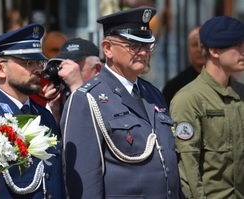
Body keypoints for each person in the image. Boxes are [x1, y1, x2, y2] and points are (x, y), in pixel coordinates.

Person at [60, 7, 183, 198]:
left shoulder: (153, 93)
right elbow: (84, 181)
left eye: (147, 45)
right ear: (108, 48)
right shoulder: (87, 99)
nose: (143, 52)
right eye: (134, 45)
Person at [0, 23, 66, 199]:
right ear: (1, 69)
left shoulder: (44, 116)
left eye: (39, 62)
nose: (38, 69)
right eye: (28, 63)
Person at [170, 16, 244, 198]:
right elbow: (187, 169)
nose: (243, 52)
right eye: (238, 46)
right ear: (214, 51)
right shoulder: (189, 99)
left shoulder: (241, 93)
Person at [43, 37, 102, 126]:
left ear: (97, 68)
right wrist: (54, 111)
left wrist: (77, 89)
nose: (67, 73)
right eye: (63, 66)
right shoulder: (62, 96)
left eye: (75, 68)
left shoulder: (107, 93)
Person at [162, 26, 206, 108]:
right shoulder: (174, 87)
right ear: (188, 49)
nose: (199, 49)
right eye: (195, 45)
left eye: (203, 45)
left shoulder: (223, 83)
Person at [29, 31, 68, 106]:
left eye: (63, 51)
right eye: (54, 50)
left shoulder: (74, 80)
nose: (59, 54)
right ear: (43, 52)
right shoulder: (34, 81)